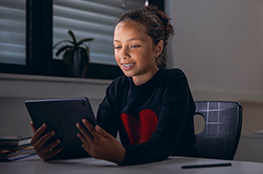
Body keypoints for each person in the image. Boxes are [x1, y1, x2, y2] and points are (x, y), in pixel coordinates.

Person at [30, 5, 201, 165]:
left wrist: (122, 154)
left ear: (157, 48)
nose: (123, 54)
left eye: (134, 46)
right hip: (139, 168)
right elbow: (96, 142)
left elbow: (164, 143)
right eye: (117, 46)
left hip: (178, 168)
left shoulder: (174, 81)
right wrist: (55, 151)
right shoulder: (117, 88)